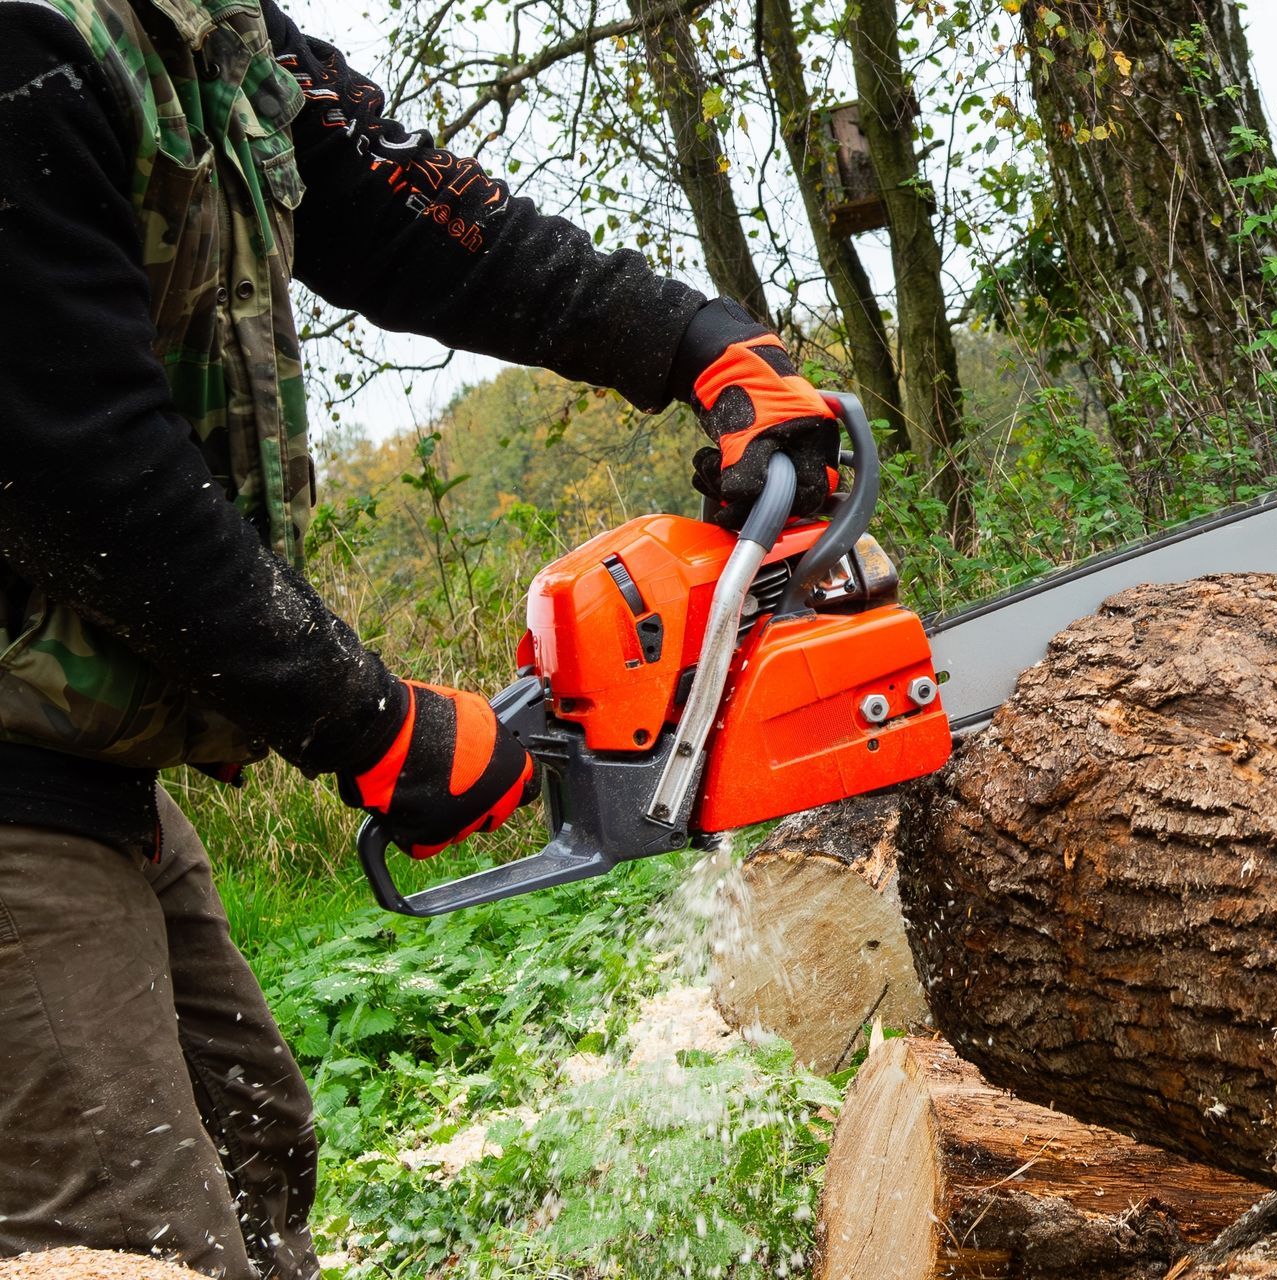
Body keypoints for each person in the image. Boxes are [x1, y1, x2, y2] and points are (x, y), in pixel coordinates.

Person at [0, 1, 840, 1274]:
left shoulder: (217, 38)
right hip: (18, 786)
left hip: (84, 762)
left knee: (254, 1144)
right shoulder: (27, 47)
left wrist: (688, 340)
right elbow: (80, 466)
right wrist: (367, 718)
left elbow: (421, 218)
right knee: (129, 1235)